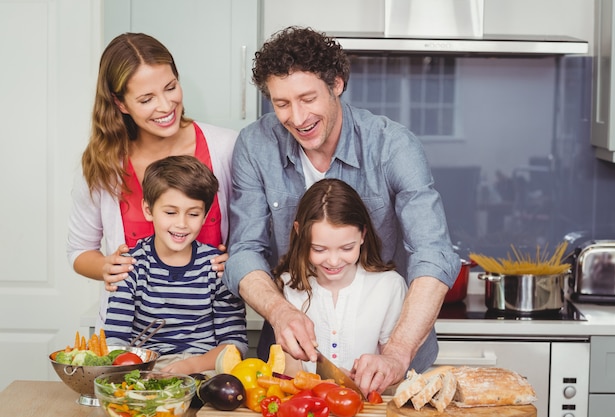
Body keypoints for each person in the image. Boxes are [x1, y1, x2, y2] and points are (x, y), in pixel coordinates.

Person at [223, 26, 460, 394]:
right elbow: (243, 253)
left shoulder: (392, 146)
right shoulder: (255, 146)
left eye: (307, 98)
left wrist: (396, 352)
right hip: (293, 363)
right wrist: (280, 311)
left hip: (391, 362)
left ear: (337, 84)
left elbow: (433, 253)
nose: (297, 118)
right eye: (281, 103)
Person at [67, 33, 236, 328]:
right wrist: (106, 266)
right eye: (146, 99)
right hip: (129, 335)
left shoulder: (226, 148)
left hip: (208, 334)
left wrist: (236, 260)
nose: (166, 106)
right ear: (120, 103)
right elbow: (79, 251)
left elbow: (256, 238)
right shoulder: (103, 164)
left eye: (171, 87)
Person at [104, 155, 247, 374]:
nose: (181, 224)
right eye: (170, 212)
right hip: (146, 370)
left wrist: (190, 366)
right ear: (148, 210)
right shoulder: (131, 267)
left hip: (204, 367)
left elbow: (235, 346)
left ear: (205, 214)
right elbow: (115, 344)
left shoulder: (216, 268)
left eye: (193, 214)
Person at [273, 178, 407, 376]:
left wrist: (370, 378)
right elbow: (290, 372)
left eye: (346, 248)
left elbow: (393, 371)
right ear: (300, 232)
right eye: (319, 249)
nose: (334, 261)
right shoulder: (288, 285)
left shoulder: (389, 286)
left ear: (363, 234)